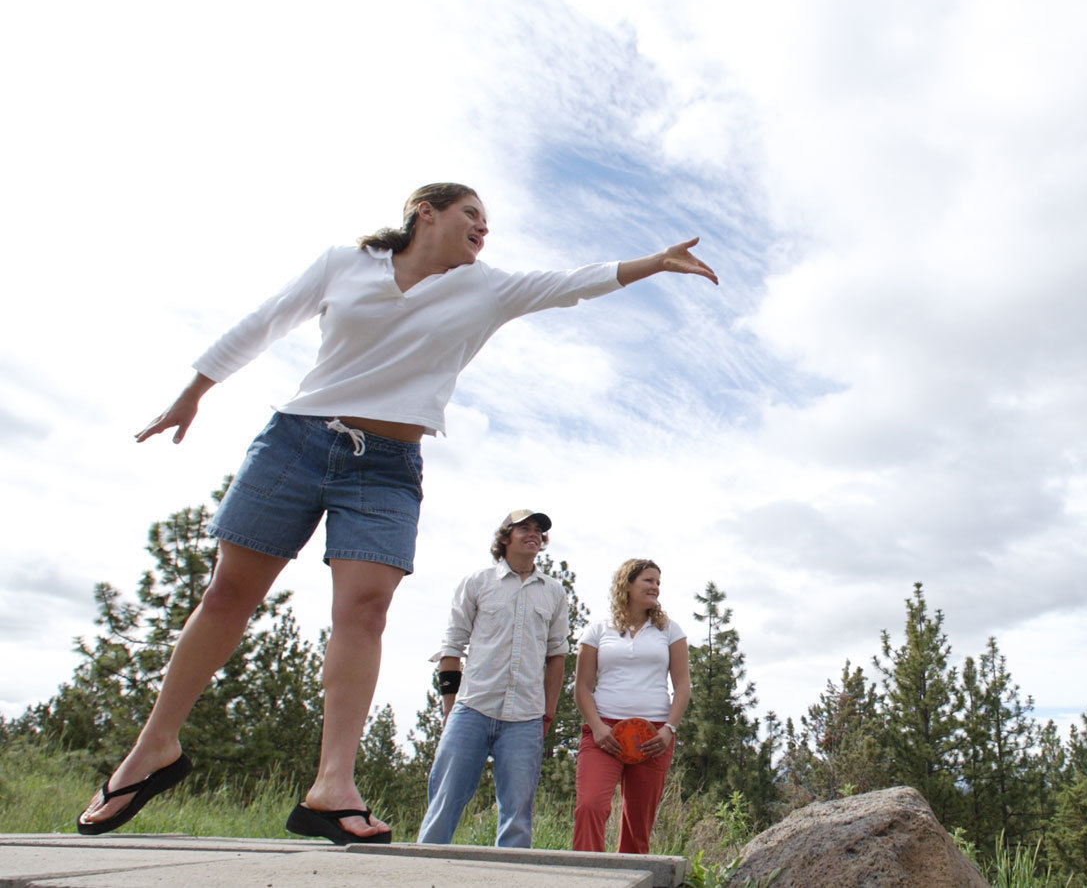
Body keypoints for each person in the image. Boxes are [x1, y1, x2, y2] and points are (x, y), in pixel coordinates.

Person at [76, 183, 717, 845]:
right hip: (294, 442)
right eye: (472, 214)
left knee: (366, 609)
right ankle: (153, 750)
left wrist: (654, 261)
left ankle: (332, 786)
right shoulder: (343, 265)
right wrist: (194, 391)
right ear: (425, 213)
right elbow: (264, 321)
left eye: (488, 222)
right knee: (228, 594)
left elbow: (571, 282)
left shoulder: (485, 289)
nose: (483, 229)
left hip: (387, 466)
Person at [417, 509, 567, 847]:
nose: (534, 534)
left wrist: (548, 711)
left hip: (526, 717)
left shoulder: (553, 592)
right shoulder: (478, 583)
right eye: (524, 528)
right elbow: (452, 647)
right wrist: (450, 706)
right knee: (444, 802)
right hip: (471, 709)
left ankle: (513, 878)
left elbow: (557, 655)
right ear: (504, 538)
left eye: (539, 530)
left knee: (518, 815)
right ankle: (422, 869)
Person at [572, 559, 691, 855]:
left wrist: (668, 731)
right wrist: (598, 728)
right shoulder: (598, 630)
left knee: (638, 825)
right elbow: (582, 688)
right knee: (589, 807)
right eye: (648, 581)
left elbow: (683, 686)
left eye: (658, 583)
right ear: (627, 584)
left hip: (653, 737)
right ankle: (583, 875)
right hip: (604, 734)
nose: (655, 587)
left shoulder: (670, 631)